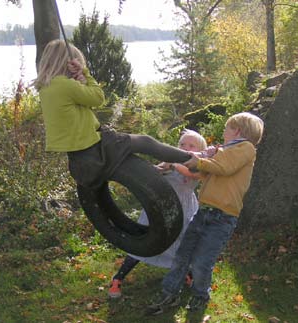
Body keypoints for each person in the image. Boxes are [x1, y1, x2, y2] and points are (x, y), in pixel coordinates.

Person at [34, 39, 192, 192]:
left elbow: (81, 104)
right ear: (68, 65)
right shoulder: (66, 85)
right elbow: (97, 98)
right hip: (95, 147)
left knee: (128, 149)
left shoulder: (46, 88)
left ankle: (155, 169)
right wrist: (86, 75)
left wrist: (81, 84)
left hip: (79, 155)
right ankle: (190, 159)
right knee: (145, 142)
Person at [147, 112, 264, 315]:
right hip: (204, 211)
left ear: (237, 130)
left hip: (223, 216)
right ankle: (169, 292)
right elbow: (206, 170)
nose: (223, 132)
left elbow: (224, 167)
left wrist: (199, 161)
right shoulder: (226, 150)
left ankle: (200, 296)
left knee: (202, 262)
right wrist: (192, 159)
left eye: (227, 128)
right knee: (182, 255)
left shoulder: (246, 148)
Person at [108, 130, 207, 298]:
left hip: (184, 208)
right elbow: (156, 171)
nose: (185, 148)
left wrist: (173, 166)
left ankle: (188, 275)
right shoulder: (170, 161)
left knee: (183, 242)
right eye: (182, 144)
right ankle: (118, 278)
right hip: (160, 207)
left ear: (200, 150)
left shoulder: (200, 165)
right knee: (144, 241)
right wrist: (156, 169)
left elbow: (192, 174)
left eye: (191, 145)